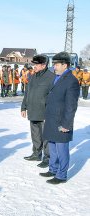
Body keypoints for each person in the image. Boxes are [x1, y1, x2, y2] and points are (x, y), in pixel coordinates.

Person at [40, 51, 80, 184]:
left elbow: (71, 106)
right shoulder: (56, 77)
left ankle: (61, 175)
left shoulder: (71, 81)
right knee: (52, 146)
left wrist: (67, 125)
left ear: (65, 65)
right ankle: (53, 169)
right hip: (52, 119)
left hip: (62, 122)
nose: (54, 67)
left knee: (62, 149)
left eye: (56, 64)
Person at [21, 54, 55, 168]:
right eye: (33, 64)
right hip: (33, 110)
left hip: (45, 112)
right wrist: (23, 107)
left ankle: (47, 157)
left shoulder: (52, 77)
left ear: (44, 65)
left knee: (46, 136)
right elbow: (27, 93)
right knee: (35, 134)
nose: (33, 66)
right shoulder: (32, 76)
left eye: (36, 64)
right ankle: (36, 153)